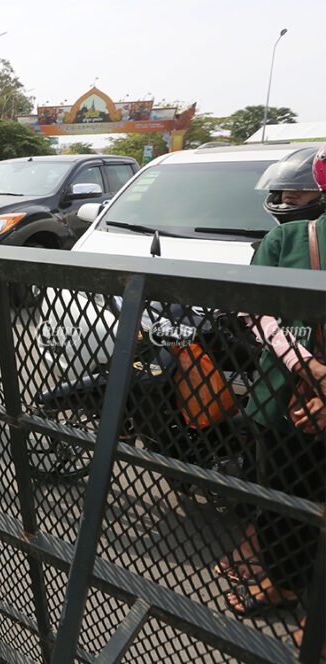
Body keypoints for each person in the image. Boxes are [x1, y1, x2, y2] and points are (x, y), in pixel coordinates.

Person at [222, 146, 325, 653]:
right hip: (285, 400)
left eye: (297, 188)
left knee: (292, 501)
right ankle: (288, 588)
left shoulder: (286, 237)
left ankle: (301, 599)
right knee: (282, 499)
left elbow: (259, 314)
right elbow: (259, 313)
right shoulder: (286, 235)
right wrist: (313, 369)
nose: (286, 197)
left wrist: (313, 372)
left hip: (290, 395)